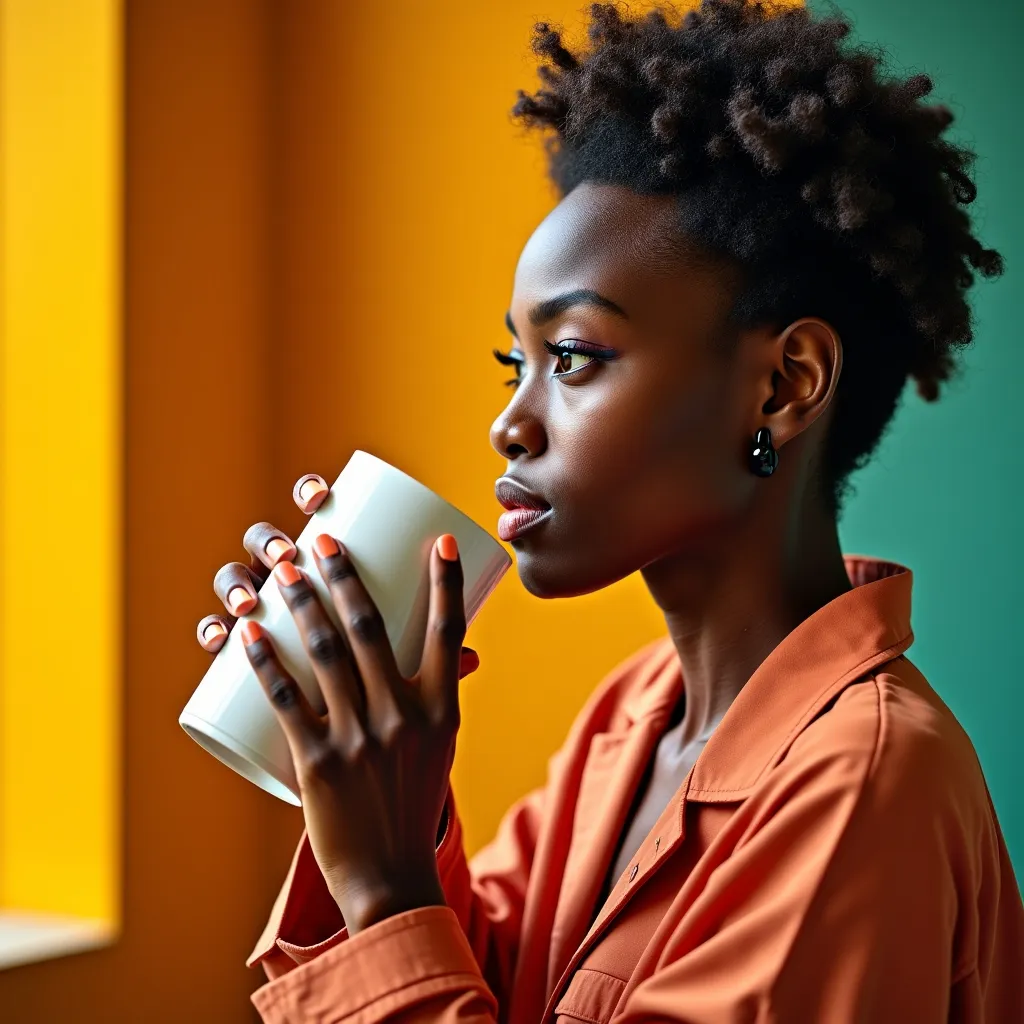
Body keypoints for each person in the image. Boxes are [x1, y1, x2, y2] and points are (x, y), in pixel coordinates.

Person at [195, 1, 1023, 1020]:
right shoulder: (632, 719)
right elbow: (486, 977)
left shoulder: (863, 783)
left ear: (783, 385)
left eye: (573, 357)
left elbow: (407, 945)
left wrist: (384, 888)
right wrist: (364, 774)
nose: (510, 423)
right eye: (515, 363)